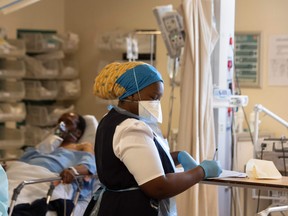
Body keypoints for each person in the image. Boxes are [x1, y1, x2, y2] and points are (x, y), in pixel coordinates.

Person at [84, 61, 222, 216]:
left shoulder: (110, 119)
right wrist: (201, 172)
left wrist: (176, 156)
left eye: (159, 99)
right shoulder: (131, 128)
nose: (156, 104)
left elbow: (136, 163)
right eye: (153, 97)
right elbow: (158, 187)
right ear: (132, 93)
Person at [19, 112, 96, 201]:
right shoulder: (49, 145)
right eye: (60, 121)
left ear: (78, 133)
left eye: (67, 122)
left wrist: (74, 171)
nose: (60, 125)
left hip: (45, 179)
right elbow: (22, 161)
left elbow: (90, 164)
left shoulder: (82, 146)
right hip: (23, 173)